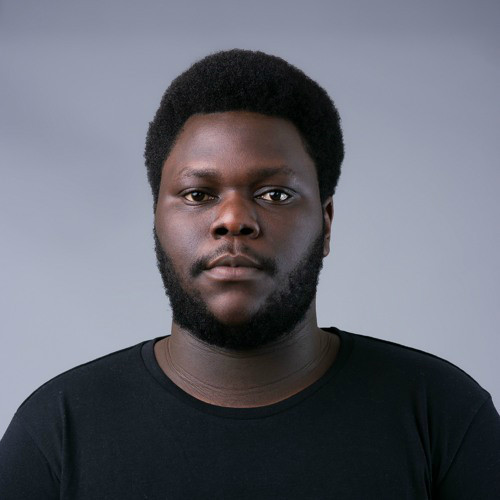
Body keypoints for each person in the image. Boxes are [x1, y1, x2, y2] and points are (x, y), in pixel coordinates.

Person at [1, 49, 499, 499]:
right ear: (156, 220)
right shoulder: (57, 430)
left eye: (275, 194)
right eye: (198, 194)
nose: (233, 219)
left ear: (326, 223)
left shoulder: (441, 413)